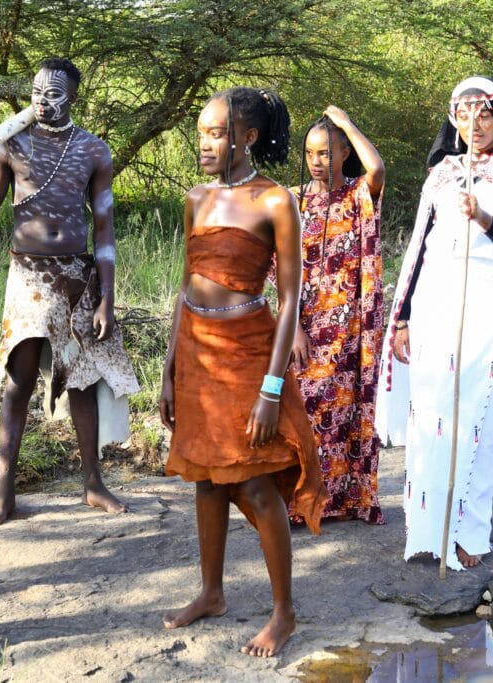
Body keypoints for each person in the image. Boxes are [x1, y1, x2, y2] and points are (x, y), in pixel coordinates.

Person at [159, 86, 328, 658]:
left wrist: (272, 390)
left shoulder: (275, 201)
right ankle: (211, 593)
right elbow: (185, 287)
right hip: (196, 352)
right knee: (207, 479)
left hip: (249, 353)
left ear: (247, 137)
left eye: (216, 133)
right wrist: (169, 370)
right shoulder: (196, 198)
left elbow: (290, 298)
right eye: (201, 133)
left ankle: (284, 612)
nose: (204, 144)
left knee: (254, 482)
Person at [375, 76, 493, 570]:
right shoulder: (442, 173)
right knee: (432, 418)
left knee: (477, 419)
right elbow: (418, 249)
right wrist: (403, 319)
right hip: (437, 303)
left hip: (492, 306)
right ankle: (428, 530)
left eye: (484, 115)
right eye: (464, 114)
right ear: (454, 119)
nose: (474, 124)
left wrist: (483, 217)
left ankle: (471, 532)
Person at [0, 57, 140, 525]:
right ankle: (4, 489)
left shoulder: (93, 150)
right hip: (28, 276)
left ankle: (93, 484)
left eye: (55, 94)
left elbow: (104, 228)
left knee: (82, 380)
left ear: (74, 98)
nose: (43, 102)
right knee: (19, 379)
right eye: (37, 93)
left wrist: (107, 297)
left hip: (77, 275)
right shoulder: (10, 146)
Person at [289, 105, 386, 523]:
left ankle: (343, 502)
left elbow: (377, 169)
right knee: (304, 412)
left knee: (346, 415)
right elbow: (280, 273)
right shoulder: (291, 200)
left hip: (351, 329)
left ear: (345, 153)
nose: (316, 161)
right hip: (305, 327)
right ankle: (299, 503)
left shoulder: (357, 194)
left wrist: (346, 124)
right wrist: (293, 327)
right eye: (310, 153)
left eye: (326, 152)